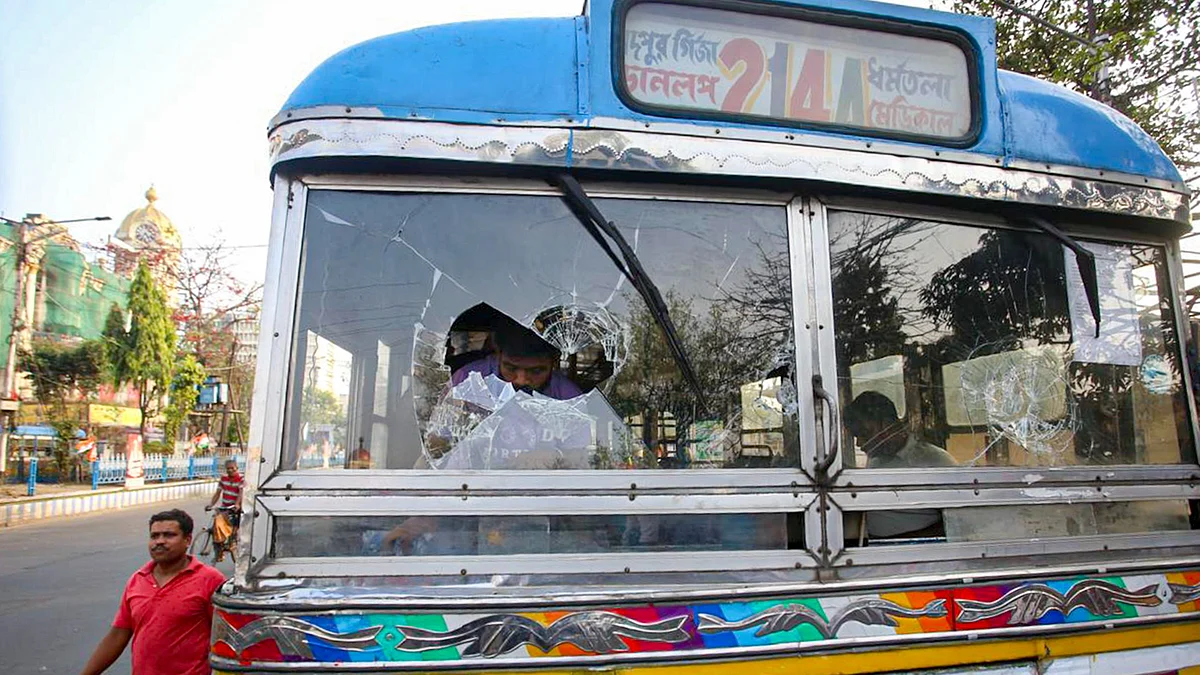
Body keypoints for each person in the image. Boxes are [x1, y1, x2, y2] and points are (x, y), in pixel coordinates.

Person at [80, 509, 225, 675]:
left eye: (169, 535)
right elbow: (118, 634)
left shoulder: (210, 580)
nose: (160, 541)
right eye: (154, 536)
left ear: (187, 540)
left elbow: (225, 637)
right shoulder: (137, 580)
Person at [843, 391, 955, 539]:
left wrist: (898, 541)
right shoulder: (876, 460)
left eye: (864, 434)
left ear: (886, 425)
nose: (860, 443)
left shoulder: (934, 460)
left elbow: (955, 523)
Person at [450, 318, 582, 398]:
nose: (521, 380)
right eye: (511, 368)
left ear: (555, 362)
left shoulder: (569, 398)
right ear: (498, 354)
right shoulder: (467, 381)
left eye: (536, 371)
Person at [206, 459, 242, 561]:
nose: (230, 470)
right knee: (216, 527)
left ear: (237, 468)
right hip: (225, 507)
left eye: (232, 468)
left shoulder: (241, 479)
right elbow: (217, 493)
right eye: (228, 469)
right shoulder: (223, 479)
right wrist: (211, 504)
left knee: (226, 525)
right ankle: (219, 552)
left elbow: (241, 493)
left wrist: (237, 504)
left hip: (235, 508)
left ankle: (232, 541)